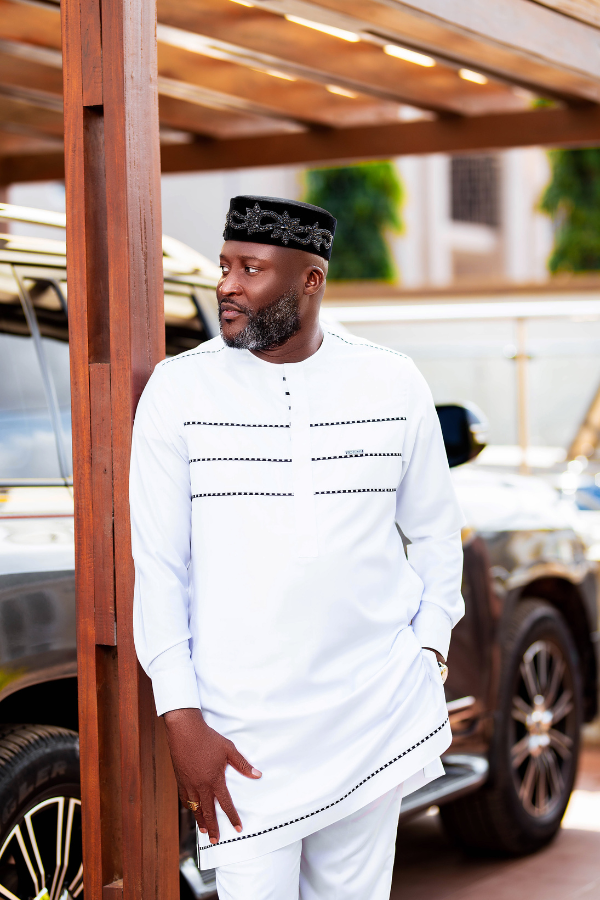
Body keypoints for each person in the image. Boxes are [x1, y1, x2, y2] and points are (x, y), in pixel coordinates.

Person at [130, 195, 465, 899]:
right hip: (239, 730)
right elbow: (158, 566)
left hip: (373, 711)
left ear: (310, 280)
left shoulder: (391, 380)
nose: (227, 285)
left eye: (251, 269)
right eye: (224, 266)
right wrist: (181, 716)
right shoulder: (179, 389)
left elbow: (436, 532)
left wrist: (429, 649)